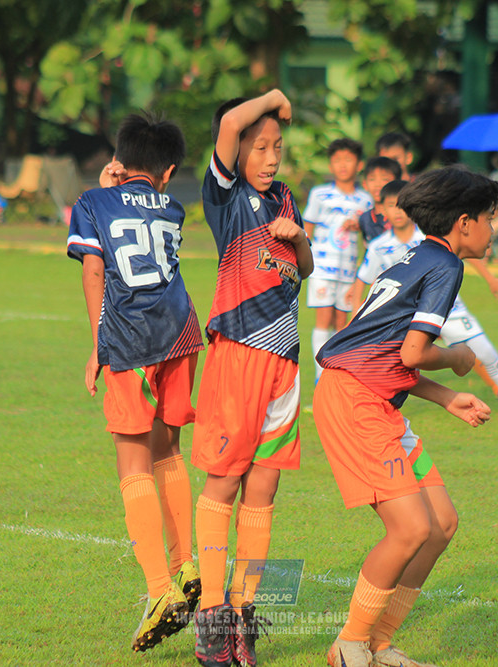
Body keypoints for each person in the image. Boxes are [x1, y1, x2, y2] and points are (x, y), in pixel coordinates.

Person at [314, 167, 498, 667]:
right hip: (355, 402)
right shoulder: (444, 265)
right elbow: (414, 352)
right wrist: (459, 358)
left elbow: (384, 353)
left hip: (372, 397)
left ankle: (380, 644)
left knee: (440, 524)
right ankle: (348, 645)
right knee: (410, 529)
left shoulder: (417, 257)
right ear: (464, 223)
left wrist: (445, 398)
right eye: (489, 218)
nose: (492, 229)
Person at [66, 112, 203, 652]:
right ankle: (184, 563)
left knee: (131, 458)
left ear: (118, 161)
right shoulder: (173, 205)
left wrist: (99, 344)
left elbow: (94, 269)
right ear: (168, 172)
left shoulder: (91, 203)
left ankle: (158, 590)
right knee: (168, 448)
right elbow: (142, 211)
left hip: (131, 337)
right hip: (182, 332)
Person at [191, 89, 313, 667]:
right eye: (259, 147)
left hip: (284, 362)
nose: (270, 158)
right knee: (223, 482)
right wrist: (271, 98)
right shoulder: (225, 196)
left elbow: (303, 271)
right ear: (235, 151)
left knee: (263, 489)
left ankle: (244, 614)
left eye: (277, 148)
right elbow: (228, 119)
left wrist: (300, 240)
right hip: (237, 355)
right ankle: (211, 618)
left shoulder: (286, 197)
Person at [350, 180, 498, 419]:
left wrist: (490, 278)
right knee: (393, 361)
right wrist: (356, 315)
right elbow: (370, 282)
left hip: (450, 310)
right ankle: (371, 403)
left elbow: (467, 249)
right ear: (381, 209)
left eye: (401, 206)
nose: (397, 211)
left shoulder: (431, 236)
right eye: (391, 205)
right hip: (409, 316)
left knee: (485, 353)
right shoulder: (379, 247)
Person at [304, 138, 374, 380]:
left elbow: (370, 240)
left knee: (343, 323)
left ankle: (338, 375)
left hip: (348, 271)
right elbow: (307, 230)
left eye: (348, 160)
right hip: (321, 268)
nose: (342, 165)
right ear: (330, 165)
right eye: (337, 160)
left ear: (359, 164)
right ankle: (320, 374)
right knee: (323, 318)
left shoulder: (366, 200)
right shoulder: (319, 194)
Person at [357, 156, 403, 243]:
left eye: (385, 179)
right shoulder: (365, 219)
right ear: (364, 184)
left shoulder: (403, 215)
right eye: (372, 179)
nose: (378, 185)